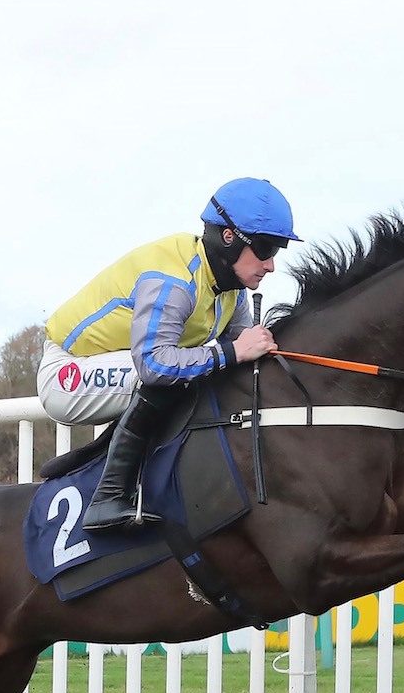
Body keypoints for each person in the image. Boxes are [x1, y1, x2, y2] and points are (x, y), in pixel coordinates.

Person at [39, 178, 298, 531]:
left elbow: (241, 353)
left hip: (122, 362)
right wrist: (234, 350)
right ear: (228, 238)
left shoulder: (229, 289)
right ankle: (107, 499)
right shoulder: (173, 281)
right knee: (172, 377)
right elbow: (154, 365)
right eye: (266, 249)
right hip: (67, 374)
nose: (270, 266)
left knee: (212, 370)